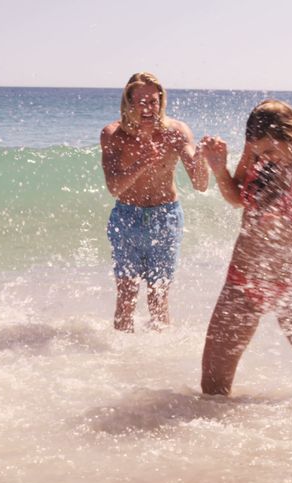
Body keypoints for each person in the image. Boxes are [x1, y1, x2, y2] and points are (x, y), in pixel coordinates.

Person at [198, 100, 292, 399]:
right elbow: (238, 198)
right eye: (256, 152)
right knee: (213, 389)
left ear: (290, 136)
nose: (262, 158)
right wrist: (219, 170)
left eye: (268, 151)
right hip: (242, 281)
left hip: (291, 286)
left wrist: (280, 228)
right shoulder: (257, 151)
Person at [100, 72, 209, 332]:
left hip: (166, 218)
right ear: (128, 103)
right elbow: (114, 188)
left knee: (158, 297)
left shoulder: (176, 132)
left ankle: (157, 362)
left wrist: (203, 159)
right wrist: (141, 163)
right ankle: (120, 358)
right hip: (126, 217)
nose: (148, 108)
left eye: (153, 101)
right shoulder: (113, 134)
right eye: (141, 102)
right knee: (126, 295)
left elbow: (200, 184)